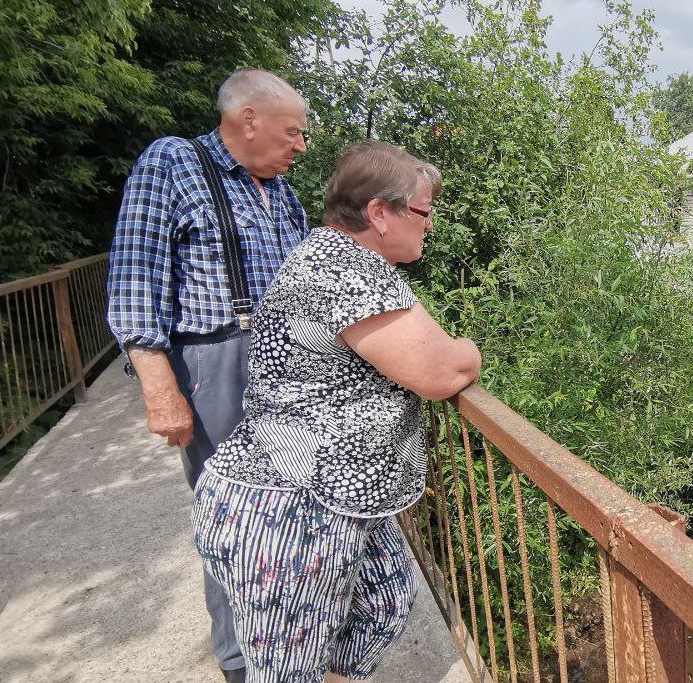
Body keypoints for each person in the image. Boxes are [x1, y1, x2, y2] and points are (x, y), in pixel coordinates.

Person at [191, 140, 481, 682]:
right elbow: (444, 372)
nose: (431, 225)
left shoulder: (340, 259)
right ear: (379, 213)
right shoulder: (347, 269)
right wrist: (470, 350)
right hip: (288, 511)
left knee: (387, 602)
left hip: (335, 497)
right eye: (422, 211)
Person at [107, 69, 311, 682]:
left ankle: (296, 646)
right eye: (294, 132)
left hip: (288, 361)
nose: (301, 146)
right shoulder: (174, 162)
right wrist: (160, 390)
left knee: (295, 510)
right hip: (220, 360)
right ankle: (243, 663)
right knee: (235, 514)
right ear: (248, 118)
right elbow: (136, 279)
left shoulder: (282, 193)